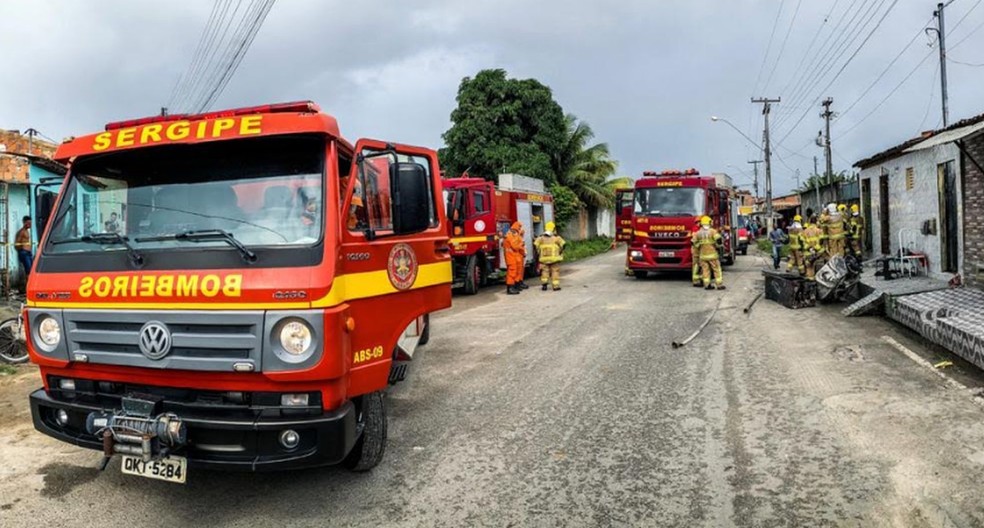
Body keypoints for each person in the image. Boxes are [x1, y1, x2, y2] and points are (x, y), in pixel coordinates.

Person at [692, 215, 725, 290]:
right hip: (712, 255)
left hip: (702, 256)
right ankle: (719, 285)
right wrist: (719, 246)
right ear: (709, 223)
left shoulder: (698, 233)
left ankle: (707, 285)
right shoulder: (712, 231)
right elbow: (718, 240)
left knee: (705, 270)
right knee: (716, 269)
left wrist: (699, 246)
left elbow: (693, 243)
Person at [534, 221, 566, 291]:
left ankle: (544, 285)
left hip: (544, 259)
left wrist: (538, 252)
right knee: (555, 271)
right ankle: (555, 286)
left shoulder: (541, 238)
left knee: (545, 271)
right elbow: (563, 244)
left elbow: (535, 245)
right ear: (553, 229)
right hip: (554, 259)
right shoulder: (556, 237)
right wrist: (560, 251)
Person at [503, 221, 527, 295]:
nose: (519, 229)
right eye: (519, 227)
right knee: (512, 272)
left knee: (515, 271)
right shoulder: (510, 236)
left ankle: (513, 286)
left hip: (513, 257)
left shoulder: (512, 235)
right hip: (511, 257)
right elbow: (515, 247)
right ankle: (510, 287)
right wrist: (521, 243)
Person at [801, 216, 824, 281]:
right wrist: (816, 248)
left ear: (810, 222)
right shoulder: (819, 231)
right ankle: (815, 280)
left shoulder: (805, 231)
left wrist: (808, 247)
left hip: (807, 252)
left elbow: (801, 241)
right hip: (817, 252)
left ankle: (809, 280)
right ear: (816, 222)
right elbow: (822, 240)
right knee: (816, 266)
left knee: (809, 267)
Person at [15, 216, 32, 283]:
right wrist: (22, 250)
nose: (29, 224)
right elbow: (17, 244)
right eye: (28, 223)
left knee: (31, 271)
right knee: (28, 270)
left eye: (30, 223)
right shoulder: (21, 232)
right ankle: (27, 287)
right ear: (24, 222)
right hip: (24, 253)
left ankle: (28, 285)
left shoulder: (27, 231)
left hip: (28, 253)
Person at [691, 217, 703, 287]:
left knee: (700, 265)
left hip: (699, 249)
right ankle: (696, 281)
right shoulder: (695, 229)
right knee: (696, 265)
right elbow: (695, 240)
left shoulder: (698, 229)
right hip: (696, 249)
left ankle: (700, 279)